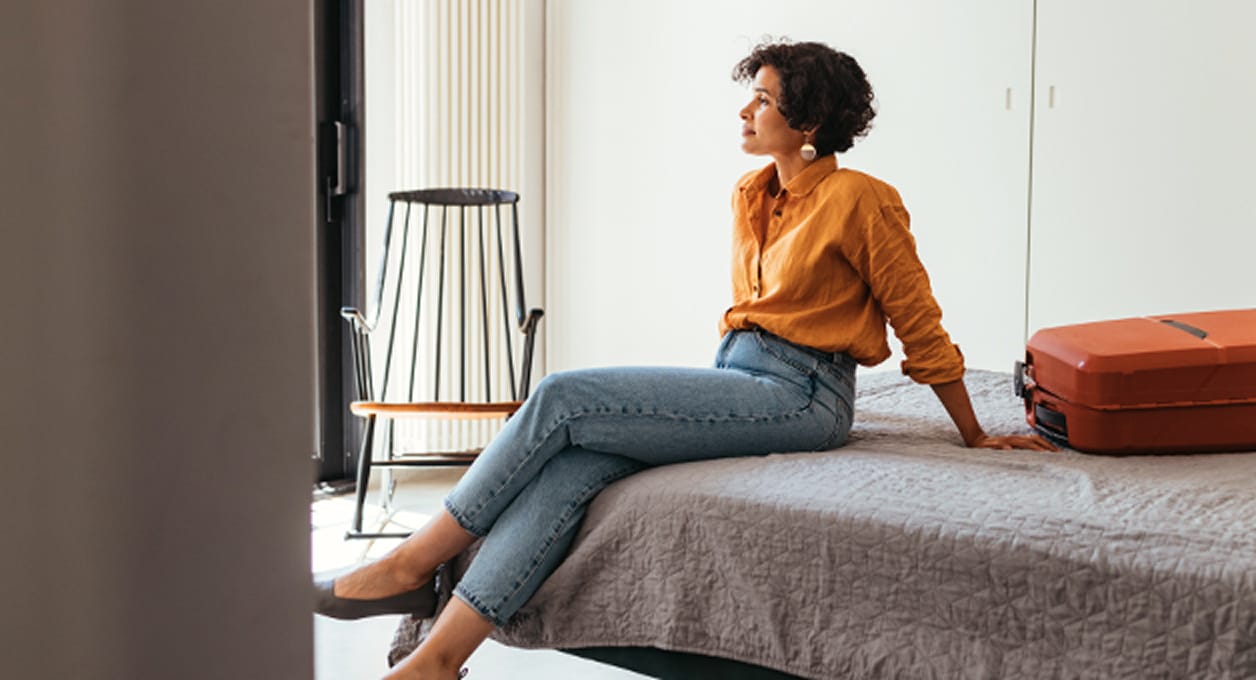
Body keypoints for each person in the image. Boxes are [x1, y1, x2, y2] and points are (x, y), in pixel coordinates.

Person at [314, 39, 1057, 679]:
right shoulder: (750, 193)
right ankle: (437, 660)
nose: (745, 112)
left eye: (762, 100)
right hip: (739, 374)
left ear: (809, 121)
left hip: (806, 396)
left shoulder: (863, 200)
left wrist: (973, 431)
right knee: (573, 465)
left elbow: (918, 320)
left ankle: (415, 562)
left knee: (565, 396)